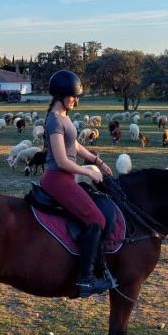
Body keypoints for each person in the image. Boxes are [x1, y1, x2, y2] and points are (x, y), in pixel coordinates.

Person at [40, 70, 115, 297]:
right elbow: (62, 160)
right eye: (73, 96)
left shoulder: (64, 116)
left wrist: (96, 160)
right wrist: (88, 172)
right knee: (96, 218)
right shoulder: (54, 120)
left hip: (66, 177)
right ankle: (86, 280)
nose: (76, 100)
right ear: (61, 95)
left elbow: (74, 146)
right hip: (57, 178)